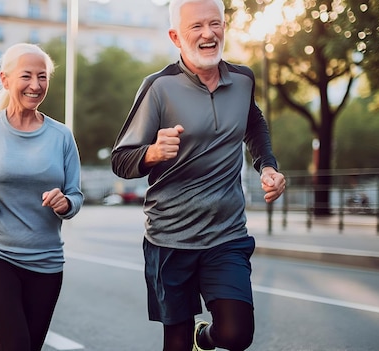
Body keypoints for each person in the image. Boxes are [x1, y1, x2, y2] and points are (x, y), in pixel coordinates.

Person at [110, 0, 286, 350]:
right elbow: (121, 160)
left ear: (224, 26)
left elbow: (253, 122)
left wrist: (267, 165)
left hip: (226, 234)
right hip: (169, 238)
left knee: (237, 334)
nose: (208, 33)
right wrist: (153, 153)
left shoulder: (242, 79)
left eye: (215, 23)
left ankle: (203, 338)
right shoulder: (158, 87)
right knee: (174, 343)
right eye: (196, 26)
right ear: (176, 36)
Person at [0, 43, 83, 351]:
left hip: (46, 261)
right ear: (5, 80)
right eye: (27, 76)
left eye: (43, 77)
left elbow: (75, 195)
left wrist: (66, 204)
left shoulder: (61, 136)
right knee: (16, 344)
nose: (36, 85)